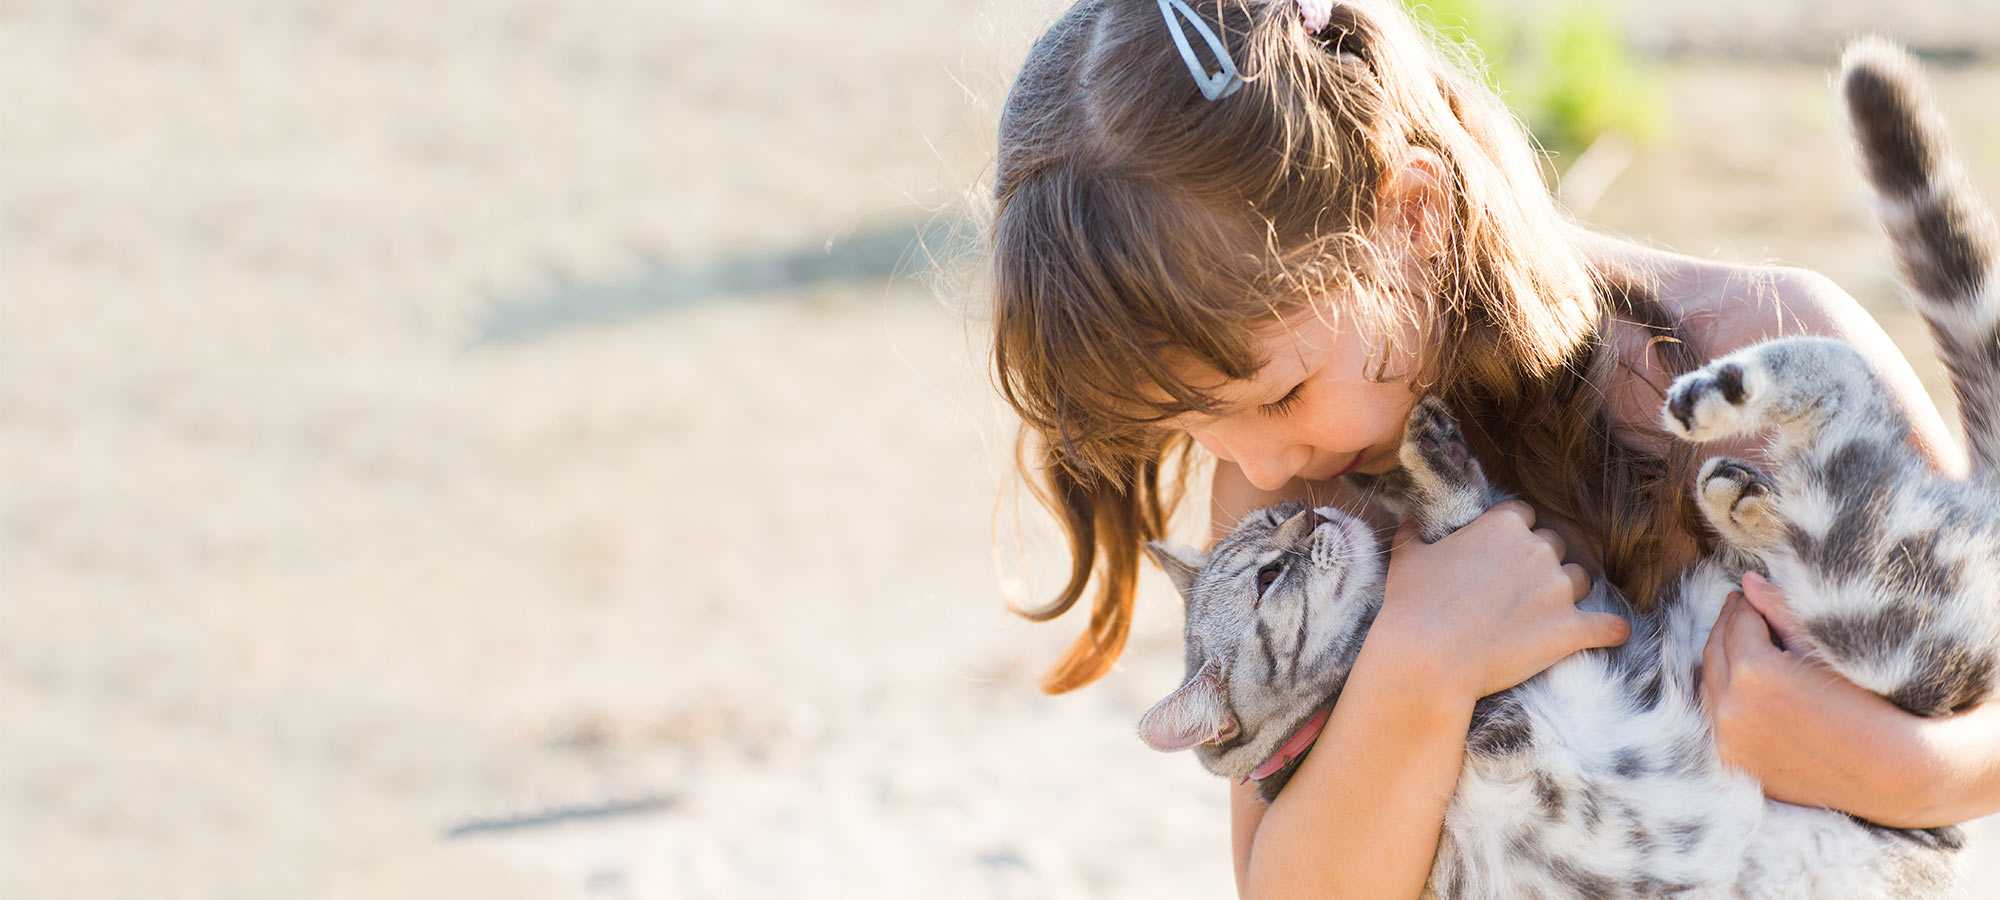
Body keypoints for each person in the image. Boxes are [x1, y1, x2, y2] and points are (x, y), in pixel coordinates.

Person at [983, 1, 2000, 897]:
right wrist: (1421, 661)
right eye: (1190, 423)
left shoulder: (1752, 343)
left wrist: (1897, 769)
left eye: (1281, 393)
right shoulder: (1285, 502)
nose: (1257, 462)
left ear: (1413, 217)